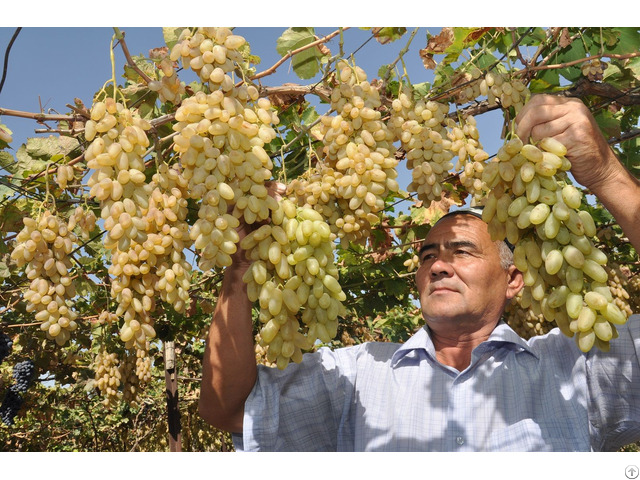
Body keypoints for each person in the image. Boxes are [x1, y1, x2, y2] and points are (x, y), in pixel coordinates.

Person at [198, 94, 640, 451]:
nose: (438, 265)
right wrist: (240, 262)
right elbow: (229, 408)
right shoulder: (357, 375)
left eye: (461, 250)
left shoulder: (574, 369)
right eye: (428, 256)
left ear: (514, 279)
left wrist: (605, 175)